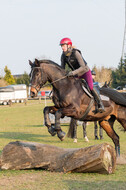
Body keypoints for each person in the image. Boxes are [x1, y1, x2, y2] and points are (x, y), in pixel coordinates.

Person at [60, 37, 105, 113]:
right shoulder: (63, 55)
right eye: (61, 46)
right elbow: (62, 68)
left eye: (63, 45)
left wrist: (72, 73)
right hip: (76, 74)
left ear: (69, 45)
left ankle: (100, 104)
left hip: (85, 72)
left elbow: (83, 67)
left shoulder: (76, 53)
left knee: (90, 87)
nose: (62, 47)